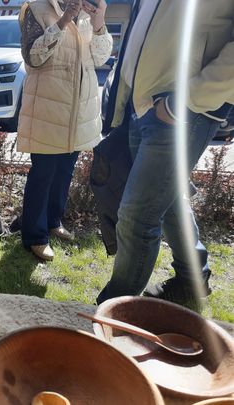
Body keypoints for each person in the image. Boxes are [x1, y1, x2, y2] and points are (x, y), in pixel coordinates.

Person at [97, 0, 234, 308]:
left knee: (137, 216)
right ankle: (191, 280)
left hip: (183, 108)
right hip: (145, 104)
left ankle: (114, 311)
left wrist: (186, 100)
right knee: (168, 199)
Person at [17, 0, 112, 260]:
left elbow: (100, 58)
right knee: (43, 173)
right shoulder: (36, 8)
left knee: (64, 171)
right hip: (48, 105)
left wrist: (99, 21)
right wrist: (63, 21)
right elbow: (33, 57)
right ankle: (35, 236)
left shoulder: (87, 14)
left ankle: (52, 221)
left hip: (79, 111)